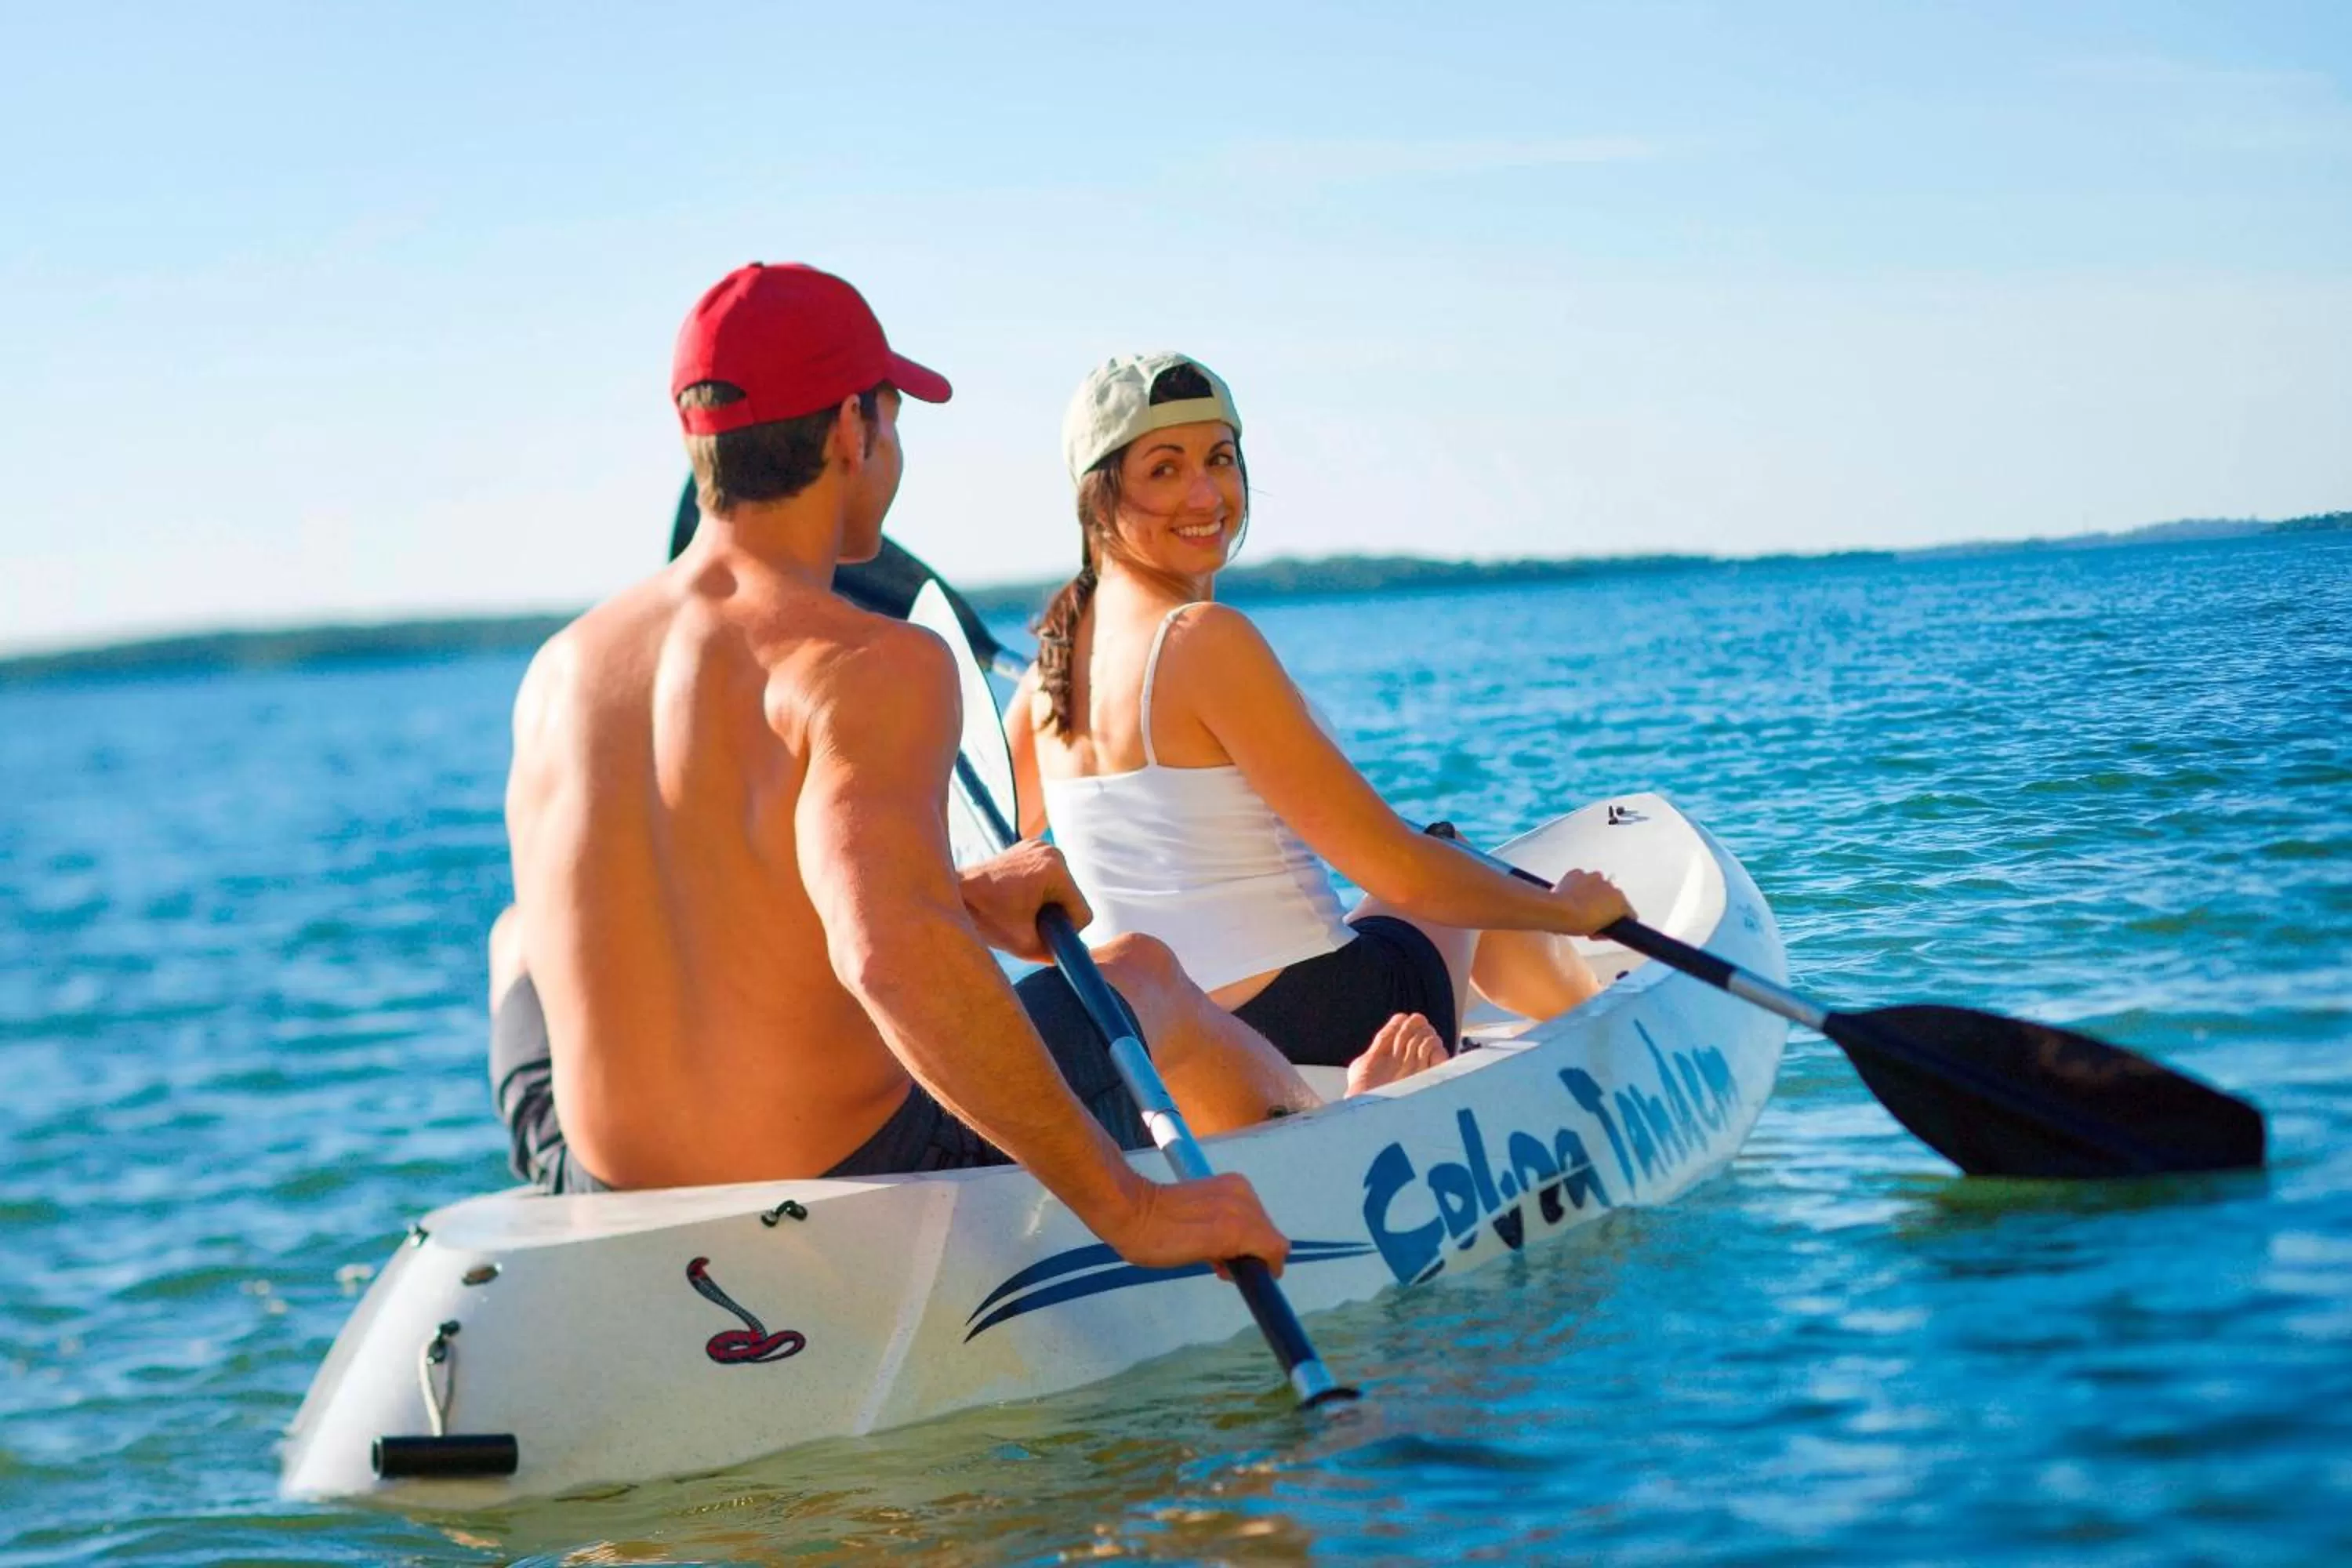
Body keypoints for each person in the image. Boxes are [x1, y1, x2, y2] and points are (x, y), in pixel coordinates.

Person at [492, 266, 1382, 1277]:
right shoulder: (866, 661)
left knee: (518, 935)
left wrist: (947, 897)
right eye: (894, 417)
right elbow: (885, 955)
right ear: (849, 429)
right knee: (1143, 974)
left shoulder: (560, 670)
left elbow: (715, 896)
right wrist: (1131, 1209)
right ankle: (1340, 1130)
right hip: (849, 1172)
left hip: (594, 1174)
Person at [1006, 353, 1633, 1073]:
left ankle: (1580, 1011)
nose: (1207, 493)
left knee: (1450, 878)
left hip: (1171, 1048)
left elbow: (997, 861)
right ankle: (1606, 1023)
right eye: (1165, 469)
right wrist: (1570, 909)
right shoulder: (1201, 639)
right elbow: (1401, 873)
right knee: (1450, 855)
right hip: (1320, 1021)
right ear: (1100, 496)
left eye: (1220, 458)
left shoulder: (1047, 675)